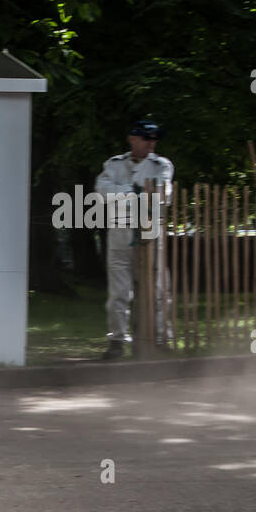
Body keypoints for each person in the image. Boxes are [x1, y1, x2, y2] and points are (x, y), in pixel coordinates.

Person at [95, 119, 174, 360]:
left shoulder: (162, 165)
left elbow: (161, 196)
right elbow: (101, 191)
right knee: (119, 291)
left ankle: (161, 340)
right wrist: (136, 192)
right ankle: (117, 342)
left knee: (158, 289)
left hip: (150, 230)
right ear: (132, 139)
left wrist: (123, 192)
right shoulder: (114, 164)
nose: (151, 143)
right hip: (120, 231)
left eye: (154, 139)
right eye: (146, 138)